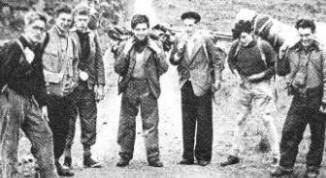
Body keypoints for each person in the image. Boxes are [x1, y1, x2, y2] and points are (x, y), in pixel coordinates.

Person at [0, 11, 58, 178]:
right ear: (26, 27)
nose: (39, 32)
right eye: (35, 28)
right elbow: (4, 76)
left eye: (42, 29)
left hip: (29, 100)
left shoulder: (36, 47)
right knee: (10, 144)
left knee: (45, 135)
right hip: (11, 99)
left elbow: (39, 77)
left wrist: (44, 104)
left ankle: (49, 175)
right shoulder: (14, 46)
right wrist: (26, 63)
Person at [220, 20, 280, 167]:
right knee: (240, 118)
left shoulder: (263, 46)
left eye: (244, 37)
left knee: (266, 118)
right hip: (244, 85)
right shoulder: (236, 45)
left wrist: (260, 76)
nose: (242, 41)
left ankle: (277, 155)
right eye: (239, 38)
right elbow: (231, 61)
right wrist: (236, 75)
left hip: (261, 86)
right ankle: (234, 154)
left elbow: (274, 67)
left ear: (252, 34)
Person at [271, 19, 326, 178]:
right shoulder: (292, 50)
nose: (304, 38)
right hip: (299, 98)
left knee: (317, 134)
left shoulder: (322, 51)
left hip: (317, 98)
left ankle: (312, 167)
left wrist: (325, 101)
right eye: (301, 35)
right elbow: (281, 72)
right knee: (289, 131)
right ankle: (285, 167)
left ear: (313, 33)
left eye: (307, 35)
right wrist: (281, 56)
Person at [169, 11, 225, 166]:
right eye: (185, 25)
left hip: (202, 83)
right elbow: (173, 61)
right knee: (187, 120)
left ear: (197, 25)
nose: (188, 28)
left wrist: (218, 79)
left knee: (204, 120)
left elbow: (217, 60)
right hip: (185, 84)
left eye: (191, 25)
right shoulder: (179, 39)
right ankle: (187, 156)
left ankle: (203, 156)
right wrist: (179, 51)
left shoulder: (205, 39)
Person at [114, 14, 169, 167]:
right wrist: (125, 51)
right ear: (133, 30)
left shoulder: (155, 44)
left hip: (148, 87)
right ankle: (124, 155)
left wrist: (158, 52)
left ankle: (153, 157)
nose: (141, 32)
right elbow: (118, 68)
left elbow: (164, 68)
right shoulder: (126, 44)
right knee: (127, 122)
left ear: (148, 29)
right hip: (130, 86)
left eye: (144, 29)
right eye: (138, 29)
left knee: (151, 123)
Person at [63, 4, 105, 169]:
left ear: (88, 20)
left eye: (85, 19)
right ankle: (66, 158)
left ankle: (88, 156)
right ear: (74, 19)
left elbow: (99, 61)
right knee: (68, 122)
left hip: (88, 86)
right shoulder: (67, 35)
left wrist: (100, 85)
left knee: (89, 121)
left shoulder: (93, 35)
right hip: (70, 87)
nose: (82, 22)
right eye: (79, 19)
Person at [42, 4, 79, 177]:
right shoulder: (44, 37)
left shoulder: (70, 39)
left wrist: (74, 80)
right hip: (48, 93)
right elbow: (35, 67)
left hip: (66, 94)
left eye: (68, 20)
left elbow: (75, 63)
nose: (65, 23)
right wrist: (52, 78)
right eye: (62, 19)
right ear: (56, 19)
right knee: (47, 131)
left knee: (63, 131)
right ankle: (43, 167)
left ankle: (55, 162)